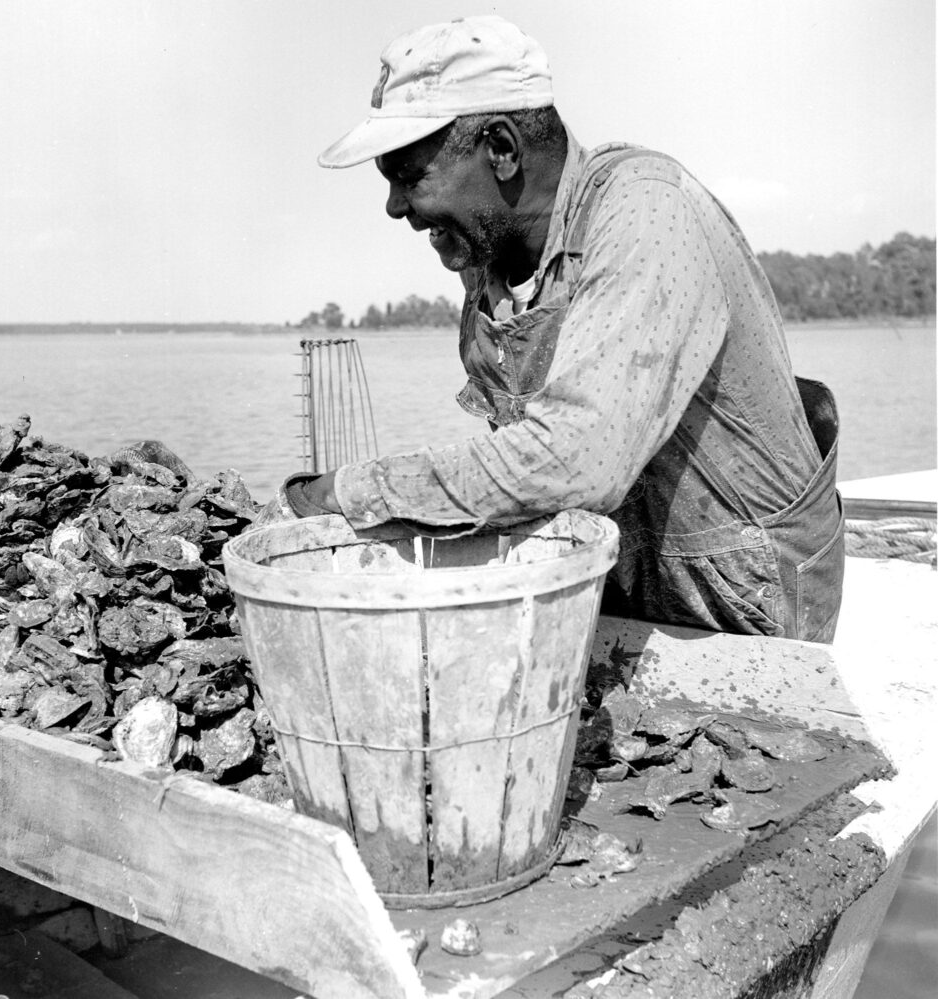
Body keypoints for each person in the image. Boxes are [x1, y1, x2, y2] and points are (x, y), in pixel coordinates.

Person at [265, 14, 844, 642]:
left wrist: (344, 493)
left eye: (409, 177)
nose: (396, 208)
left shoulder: (646, 210)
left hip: (743, 598)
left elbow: (576, 459)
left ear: (504, 149)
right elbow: (523, 469)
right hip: (625, 578)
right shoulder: (498, 263)